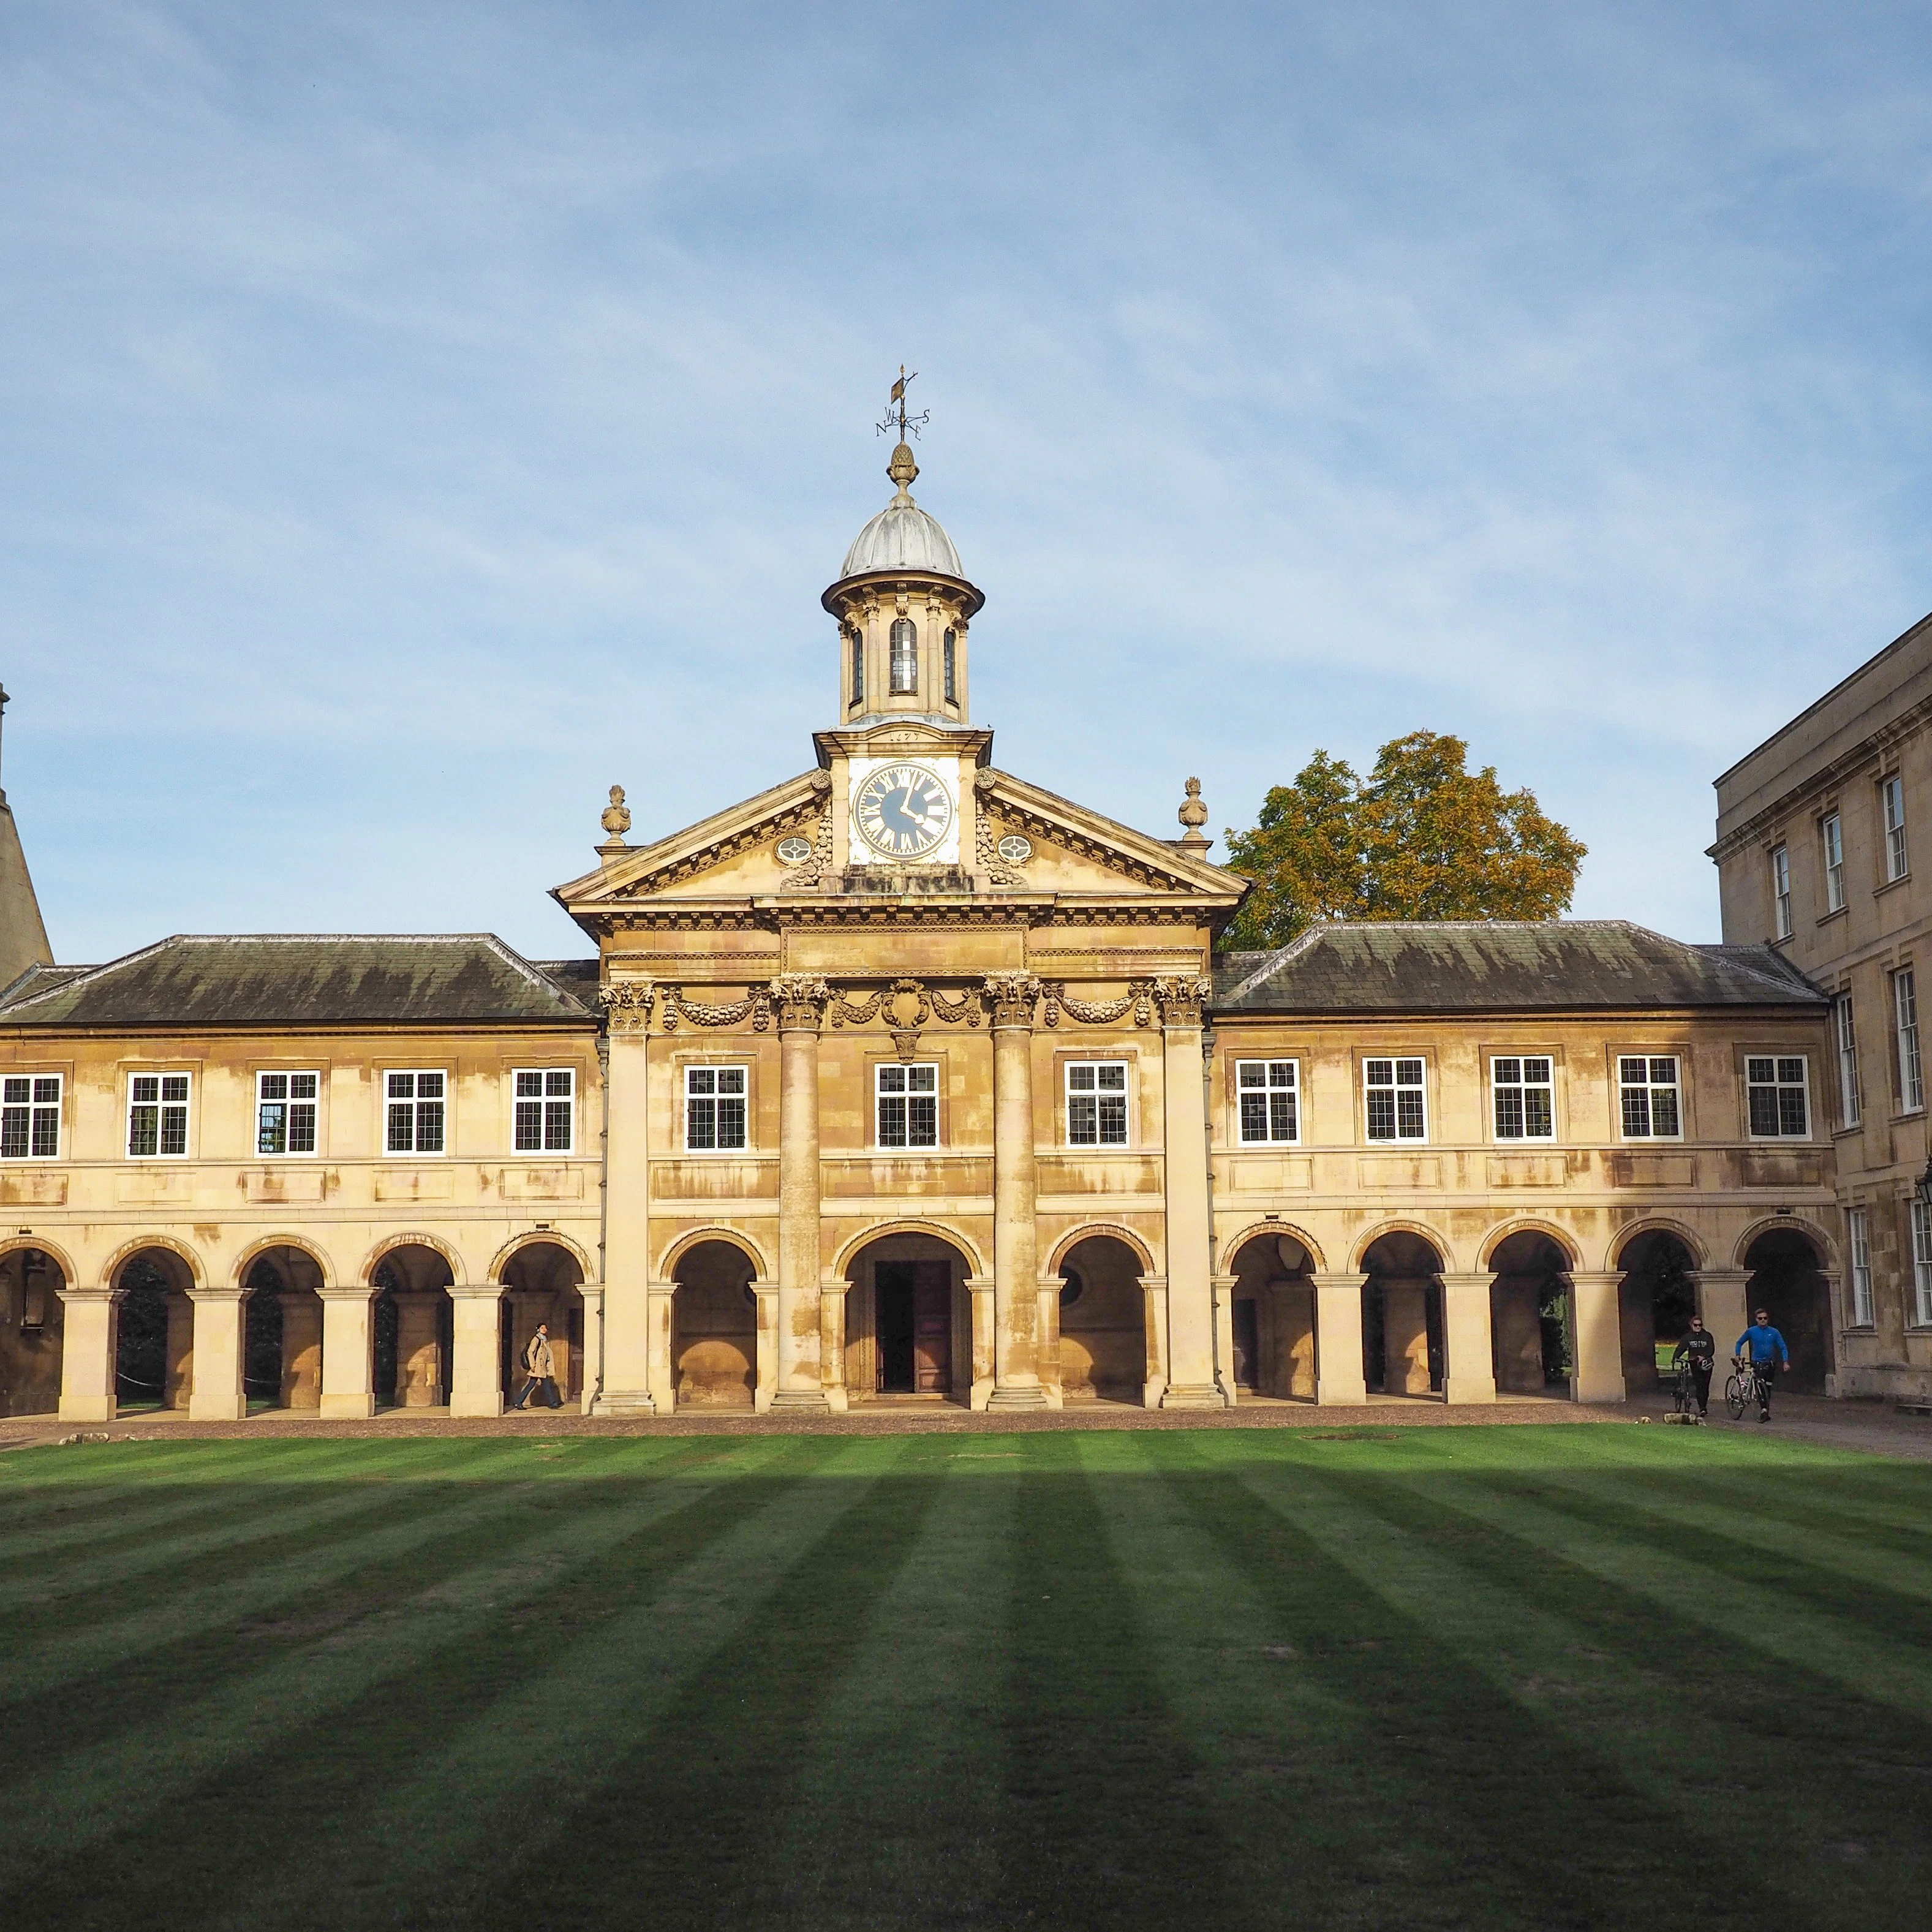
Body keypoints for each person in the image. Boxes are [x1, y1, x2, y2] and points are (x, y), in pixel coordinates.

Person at [1735, 1308, 1791, 1422]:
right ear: (1756, 1319)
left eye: (1765, 1318)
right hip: (1758, 1363)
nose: (1763, 1320)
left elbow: (1783, 1347)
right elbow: (1739, 1342)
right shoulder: (1751, 1331)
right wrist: (1738, 1354)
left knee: (1768, 1388)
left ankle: (1765, 1409)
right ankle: (1764, 1410)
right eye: (1760, 1318)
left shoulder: (1774, 1332)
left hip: (1770, 1363)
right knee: (1761, 1386)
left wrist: (1786, 1361)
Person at [1670, 1315, 1716, 1419]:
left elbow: (1711, 1349)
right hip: (1694, 1363)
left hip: (1707, 1363)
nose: (1698, 1327)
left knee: (1705, 1385)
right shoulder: (1688, 1337)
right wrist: (1675, 1357)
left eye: (1700, 1325)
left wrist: (1704, 1356)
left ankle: (1704, 1405)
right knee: (1699, 1385)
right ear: (1691, 1325)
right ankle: (1702, 1408)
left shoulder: (1707, 1336)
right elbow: (1681, 1347)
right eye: (1696, 1325)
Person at [507, 1321, 559, 1411]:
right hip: (537, 1367)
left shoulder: (544, 1340)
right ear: (538, 1329)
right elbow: (530, 1352)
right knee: (533, 1385)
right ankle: (519, 1402)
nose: (544, 1329)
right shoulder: (537, 1339)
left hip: (542, 1367)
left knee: (543, 1384)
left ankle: (552, 1402)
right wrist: (532, 1365)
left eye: (545, 1328)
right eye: (542, 1328)